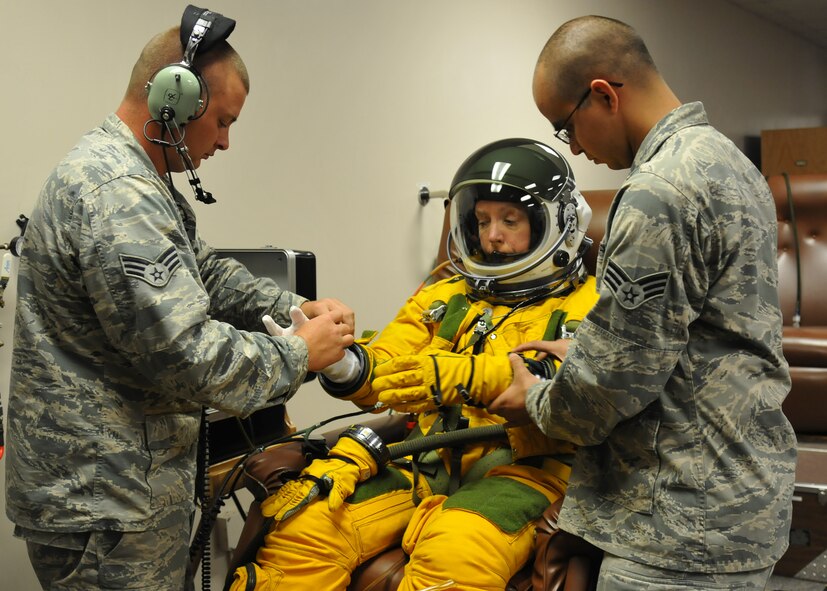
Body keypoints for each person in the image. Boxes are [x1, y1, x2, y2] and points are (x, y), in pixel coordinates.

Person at [4, 6, 354, 591]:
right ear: (175, 97)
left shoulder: (136, 178)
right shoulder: (116, 193)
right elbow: (188, 355)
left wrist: (290, 304)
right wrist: (299, 353)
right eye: (220, 121)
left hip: (119, 496)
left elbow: (203, 271)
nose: (224, 141)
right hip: (106, 506)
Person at [489, 15, 797, 590]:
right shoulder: (727, 161)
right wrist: (587, 343)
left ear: (602, 94)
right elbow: (707, 327)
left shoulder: (660, 191)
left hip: (675, 527)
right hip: (739, 498)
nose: (575, 146)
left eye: (566, 127)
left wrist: (538, 400)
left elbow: (611, 386)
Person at [229, 138, 599, 591]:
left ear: (553, 224)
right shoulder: (444, 295)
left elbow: (556, 381)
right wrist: (343, 364)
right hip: (422, 464)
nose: (491, 236)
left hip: (525, 471)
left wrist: (451, 377)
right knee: (306, 525)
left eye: (509, 220)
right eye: (481, 220)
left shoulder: (592, 305)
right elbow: (392, 361)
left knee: (456, 550)